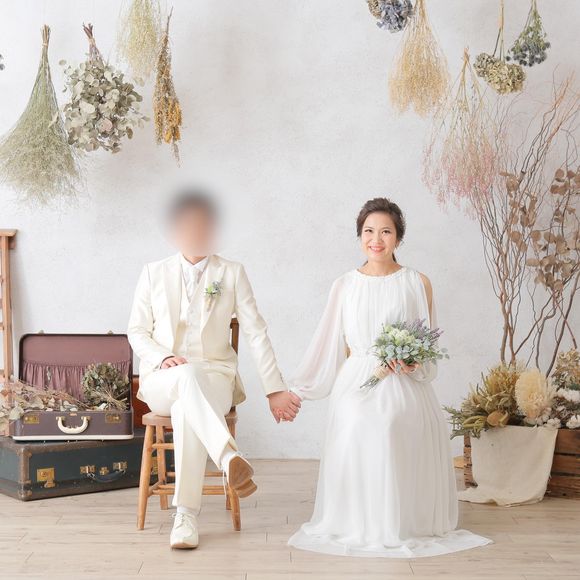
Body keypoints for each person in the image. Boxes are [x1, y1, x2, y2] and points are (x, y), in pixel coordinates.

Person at [287, 197, 493, 558]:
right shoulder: (344, 285)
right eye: (368, 231)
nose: (376, 239)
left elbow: (428, 345)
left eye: (385, 232)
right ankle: (360, 521)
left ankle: (399, 522)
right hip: (358, 378)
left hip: (403, 380)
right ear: (359, 236)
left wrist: (414, 364)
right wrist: (299, 391)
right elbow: (329, 343)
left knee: (391, 422)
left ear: (398, 237)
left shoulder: (418, 283)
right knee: (356, 420)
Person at [128, 189, 300, 549]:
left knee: (186, 406)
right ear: (174, 231)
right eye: (189, 225)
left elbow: (256, 332)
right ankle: (228, 456)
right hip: (162, 379)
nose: (197, 232)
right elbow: (137, 331)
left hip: (216, 379)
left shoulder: (231, 272)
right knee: (184, 379)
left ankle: (185, 517)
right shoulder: (153, 273)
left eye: (204, 225)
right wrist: (161, 356)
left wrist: (274, 389)